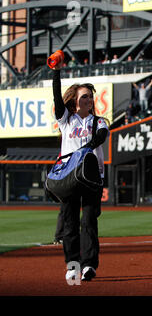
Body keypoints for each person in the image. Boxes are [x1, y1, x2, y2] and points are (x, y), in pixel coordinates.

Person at [50, 56, 110, 282]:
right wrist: (56, 71)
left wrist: (86, 148)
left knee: (89, 221)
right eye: (84, 96)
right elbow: (57, 97)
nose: (89, 99)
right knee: (70, 222)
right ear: (75, 101)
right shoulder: (66, 120)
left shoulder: (99, 121)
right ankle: (73, 265)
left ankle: (89, 266)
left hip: (92, 178)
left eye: (90, 97)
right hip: (69, 177)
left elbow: (102, 136)